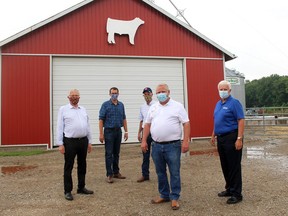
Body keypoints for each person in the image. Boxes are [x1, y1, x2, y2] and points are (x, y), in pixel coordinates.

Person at [141, 83, 190, 210]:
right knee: (160, 172)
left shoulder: (177, 106)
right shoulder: (153, 107)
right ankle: (164, 195)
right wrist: (144, 140)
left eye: (162, 91)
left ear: (168, 92)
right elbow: (147, 125)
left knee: (174, 172)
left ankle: (174, 197)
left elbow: (186, 123)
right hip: (156, 146)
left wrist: (185, 141)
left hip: (173, 145)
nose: (160, 94)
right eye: (158, 92)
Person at [210, 80, 245, 204]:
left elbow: (241, 120)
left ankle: (237, 194)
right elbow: (217, 120)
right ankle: (229, 189)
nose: (223, 91)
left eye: (225, 89)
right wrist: (213, 134)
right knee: (225, 165)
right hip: (221, 138)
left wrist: (239, 138)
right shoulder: (218, 104)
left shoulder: (234, 103)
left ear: (229, 91)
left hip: (232, 137)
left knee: (233, 166)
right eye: (221, 89)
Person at [57, 89, 94, 201]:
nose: (74, 97)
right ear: (68, 97)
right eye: (72, 95)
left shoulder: (83, 109)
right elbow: (59, 127)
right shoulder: (63, 109)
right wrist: (60, 144)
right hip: (69, 142)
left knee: (82, 165)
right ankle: (67, 191)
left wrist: (90, 142)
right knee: (69, 166)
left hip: (83, 141)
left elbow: (87, 126)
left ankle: (81, 187)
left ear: (79, 97)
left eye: (76, 95)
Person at [99, 87, 128, 183]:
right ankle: (109, 174)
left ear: (118, 94)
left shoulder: (121, 105)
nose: (114, 95)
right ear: (109, 94)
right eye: (112, 93)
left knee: (116, 153)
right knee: (109, 154)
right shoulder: (105, 105)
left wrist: (126, 131)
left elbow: (124, 118)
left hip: (118, 131)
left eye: (115, 93)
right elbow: (101, 119)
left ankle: (116, 172)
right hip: (109, 132)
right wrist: (101, 134)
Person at [137, 87, 156, 183]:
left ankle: (161, 173)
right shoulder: (142, 107)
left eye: (148, 93)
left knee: (157, 154)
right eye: (145, 94)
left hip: (156, 131)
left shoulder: (157, 105)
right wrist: (139, 132)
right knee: (145, 154)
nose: (147, 95)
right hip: (146, 132)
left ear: (152, 94)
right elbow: (141, 121)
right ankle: (145, 175)